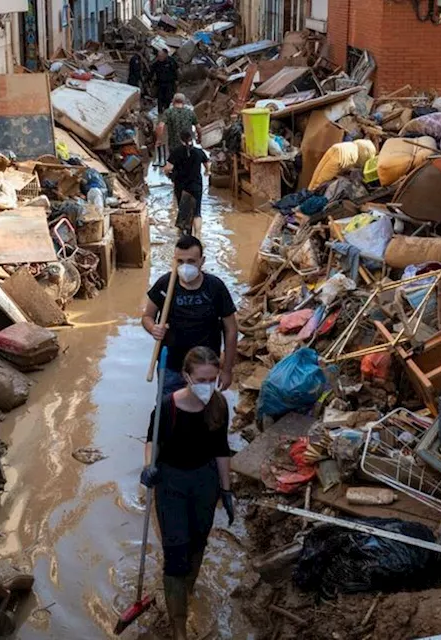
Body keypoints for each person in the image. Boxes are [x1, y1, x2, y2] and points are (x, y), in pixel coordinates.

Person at [140, 346, 235, 640]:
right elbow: (151, 442)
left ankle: (186, 590)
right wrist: (148, 468)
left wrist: (227, 490)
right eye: (202, 379)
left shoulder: (218, 405)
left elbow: (221, 451)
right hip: (172, 484)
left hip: (204, 482)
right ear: (186, 376)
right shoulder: (166, 408)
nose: (207, 386)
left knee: (198, 544)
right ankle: (179, 626)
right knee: (176, 554)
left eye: (212, 379)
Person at [143, 235, 238, 396]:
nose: (185, 267)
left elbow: (231, 330)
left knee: (201, 411)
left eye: (191, 261)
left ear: (202, 261)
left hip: (204, 370)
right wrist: (153, 328)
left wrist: (227, 369)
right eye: (180, 262)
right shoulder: (165, 285)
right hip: (171, 365)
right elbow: (147, 317)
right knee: (168, 410)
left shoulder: (215, 288)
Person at [164, 128, 209, 237]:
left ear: (180, 139)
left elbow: (168, 168)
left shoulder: (176, 152)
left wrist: (168, 175)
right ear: (192, 138)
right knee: (197, 212)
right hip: (196, 185)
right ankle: (197, 236)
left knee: (183, 208)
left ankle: (184, 233)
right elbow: (207, 163)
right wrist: (207, 171)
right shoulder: (199, 152)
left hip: (181, 186)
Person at [156, 92, 197, 168]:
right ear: (184, 102)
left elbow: (160, 126)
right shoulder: (190, 113)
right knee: (188, 164)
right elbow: (198, 127)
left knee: (175, 165)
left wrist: (159, 139)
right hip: (188, 144)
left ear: (173, 101)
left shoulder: (168, 112)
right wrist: (199, 138)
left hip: (174, 146)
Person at [151, 48, 180, 113]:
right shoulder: (157, 63)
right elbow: (151, 72)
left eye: (161, 56)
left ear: (165, 55)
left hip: (169, 83)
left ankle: (166, 110)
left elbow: (176, 71)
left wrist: (177, 80)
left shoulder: (171, 61)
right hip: (160, 83)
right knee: (160, 98)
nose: (159, 58)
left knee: (168, 98)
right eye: (158, 56)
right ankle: (160, 112)